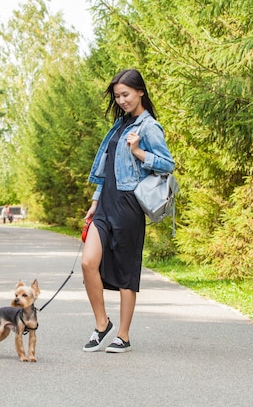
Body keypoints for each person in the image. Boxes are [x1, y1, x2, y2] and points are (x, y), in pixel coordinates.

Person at [81, 69, 175, 353]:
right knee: (88, 263)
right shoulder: (120, 124)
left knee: (125, 270)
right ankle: (102, 324)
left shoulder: (149, 127)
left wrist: (139, 153)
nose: (121, 100)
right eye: (117, 96)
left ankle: (124, 335)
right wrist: (96, 201)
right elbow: (107, 168)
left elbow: (167, 164)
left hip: (128, 206)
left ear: (140, 92)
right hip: (106, 202)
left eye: (126, 94)